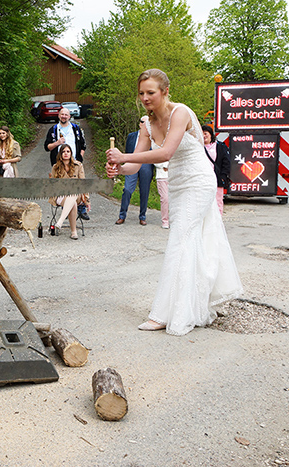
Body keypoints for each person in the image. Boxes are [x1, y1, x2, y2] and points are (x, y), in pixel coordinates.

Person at [106, 68, 242, 335]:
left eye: (151, 92)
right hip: (178, 183)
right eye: (142, 93)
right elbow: (134, 165)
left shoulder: (180, 113)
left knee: (180, 239)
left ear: (165, 91)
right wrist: (119, 168)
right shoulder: (146, 123)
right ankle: (195, 301)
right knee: (188, 241)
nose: (145, 98)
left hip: (200, 180)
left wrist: (124, 158)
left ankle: (165, 314)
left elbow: (167, 152)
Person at [44, 106, 89, 220]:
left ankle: (82, 208)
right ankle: (67, 205)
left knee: (80, 183)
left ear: (69, 116)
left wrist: (80, 158)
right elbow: (47, 147)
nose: (64, 116)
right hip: (59, 164)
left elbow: (83, 145)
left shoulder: (76, 129)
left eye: (66, 114)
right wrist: (57, 143)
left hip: (74, 163)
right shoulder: (53, 130)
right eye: (62, 114)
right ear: (59, 115)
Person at [115, 128, 153, 226]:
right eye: (143, 122)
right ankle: (122, 216)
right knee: (127, 189)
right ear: (140, 124)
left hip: (146, 163)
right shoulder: (131, 136)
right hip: (131, 162)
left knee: (144, 191)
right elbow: (128, 150)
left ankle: (142, 216)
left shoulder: (152, 136)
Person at [50, 144, 88, 240]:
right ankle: (73, 232)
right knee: (73, 204)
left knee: (74, 192)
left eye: (68, 151)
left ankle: (60, 222)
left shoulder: (78, 165)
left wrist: (87, 200)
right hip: (61, 195)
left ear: (71, 153)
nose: (66, 153)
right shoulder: (55, 167)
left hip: (76, 194)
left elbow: (83, 183)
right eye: (63, 152)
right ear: (60, 154)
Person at [202, 125, 231, 216]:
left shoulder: (220, 146)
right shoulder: (198, 147)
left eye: (205, 133)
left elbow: (226, 162)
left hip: (217, 178)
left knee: (218, 200)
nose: (204, 136)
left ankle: (218, 221)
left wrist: (223, 176)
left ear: (211, 135)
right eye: (201, 134)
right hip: (202, 179)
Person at [154, 159, 169, 229]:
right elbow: (155, 159)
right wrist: (165, 165)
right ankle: (165, 221)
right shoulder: (156, 147)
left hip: (174, 174)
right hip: (162, 175)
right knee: (165, 199)